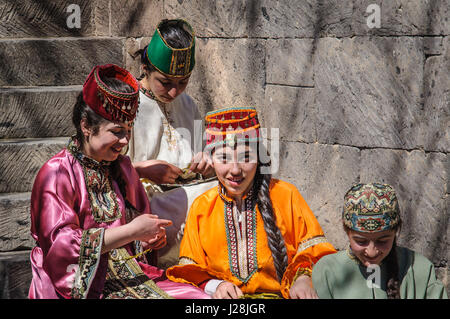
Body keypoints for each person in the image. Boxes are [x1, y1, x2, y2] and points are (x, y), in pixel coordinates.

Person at [28, 64, 209, 299]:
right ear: (86, 126)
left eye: (128, 131)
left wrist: (146, 241)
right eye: (116, 132)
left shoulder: (122, 168)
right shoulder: (56, 173)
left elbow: (132, 238)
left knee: (200, 299)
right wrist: (132, 231)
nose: (125, 141)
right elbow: (62, 248)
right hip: (79, 282)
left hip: (127, 272)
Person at [166, 106, 337, 299]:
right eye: (224, 158)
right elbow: (189, 268)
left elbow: (316, 249)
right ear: (211, 160)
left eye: (246, 157)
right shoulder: (202, 206)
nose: (235, 170)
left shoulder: (285, 195)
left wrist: (303, 278)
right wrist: (216, 285)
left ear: (260, 159)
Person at [127, 19, 217, 269]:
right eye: (165, 82)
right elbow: (102, 167)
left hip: (190, 190)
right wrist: (143, 169)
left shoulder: (188, 104)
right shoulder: (126, 103)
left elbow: (205, 150)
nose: (175, 92)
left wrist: (207, 162)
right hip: (144, 200)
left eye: (183, 82)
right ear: (145, 67)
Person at [312, 183, 448, 299]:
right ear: (346, 231)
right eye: (361, 241)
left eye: (382, 241)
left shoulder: (419, 270)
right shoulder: (327, 272)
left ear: (396, 232)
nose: (371, 252)